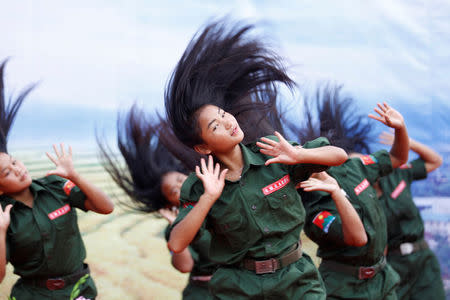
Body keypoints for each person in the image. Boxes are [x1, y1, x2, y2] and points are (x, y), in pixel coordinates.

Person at [165, 20, 348, 300]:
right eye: (215, 126)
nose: (227, 123)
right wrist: (209, 198)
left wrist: (299, 155)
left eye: (224, 114)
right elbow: (177, 243)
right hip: (239, 287)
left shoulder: (273, 152)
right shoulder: (201, 186)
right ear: (202, 147)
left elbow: (338, 156)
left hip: (297, 280)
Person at [0, 59, 114, 300]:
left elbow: (106, 207)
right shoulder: (2, 215)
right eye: (7, 172)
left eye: (14, 162)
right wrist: (1, 232)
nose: (18, 169)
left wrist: (74, 175)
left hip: (78, 291)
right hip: (32, 294)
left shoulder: (54, 186)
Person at [296, 84, 410, 299]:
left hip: (382, 281)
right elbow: (358, 239)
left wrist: (400, 129)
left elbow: (397, 158)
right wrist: (337, 194)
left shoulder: (353, 168)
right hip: (345, 288)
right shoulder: (313, 208)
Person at [97, 104, 218, 299]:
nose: (181, 187)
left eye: (180, 180)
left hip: (239, 286)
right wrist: (176, 230)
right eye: (173, 191)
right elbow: (185, 266)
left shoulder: (218, 196)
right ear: (170, 202)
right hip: (203, 293)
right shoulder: (175, 229)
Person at [375, 130, 445, 300]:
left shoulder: (396, 174)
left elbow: (435, 161)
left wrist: (407, 142)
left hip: (423, 260)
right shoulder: (359, 198)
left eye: (365, 162)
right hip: (394, 267)